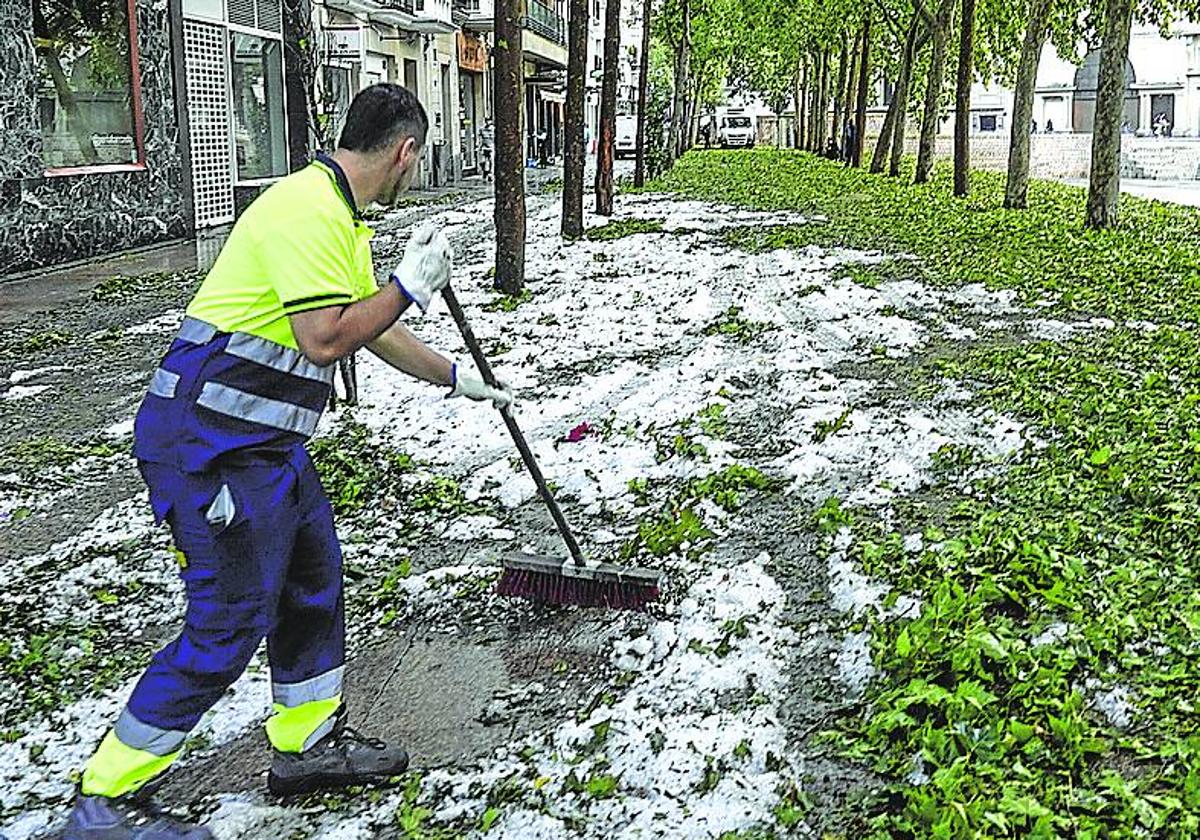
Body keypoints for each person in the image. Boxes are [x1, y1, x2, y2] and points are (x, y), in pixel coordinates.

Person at [63, 83, 513, 839]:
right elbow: (326, 339)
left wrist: (454, 377)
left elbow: (365, 323)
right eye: (420, 159)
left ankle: (305, 746)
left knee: (311, 580)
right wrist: (409, 287)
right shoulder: (305, 212)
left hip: (263, 447)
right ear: (405, 152)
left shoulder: (339, 216)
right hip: (205, 446)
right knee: (228, 619)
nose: (416, 170)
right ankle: (105, 801)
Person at [478, 118, 494, 182]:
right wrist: (479, 146)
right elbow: (480, 139)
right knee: (483, 161)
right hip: (484, 147)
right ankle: (485, 171)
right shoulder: (482, 129)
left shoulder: (493, 129)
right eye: (487, 121)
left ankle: (490, 173)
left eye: (489, 121)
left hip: (491, 147)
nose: (488, 122)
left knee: (491, 160)